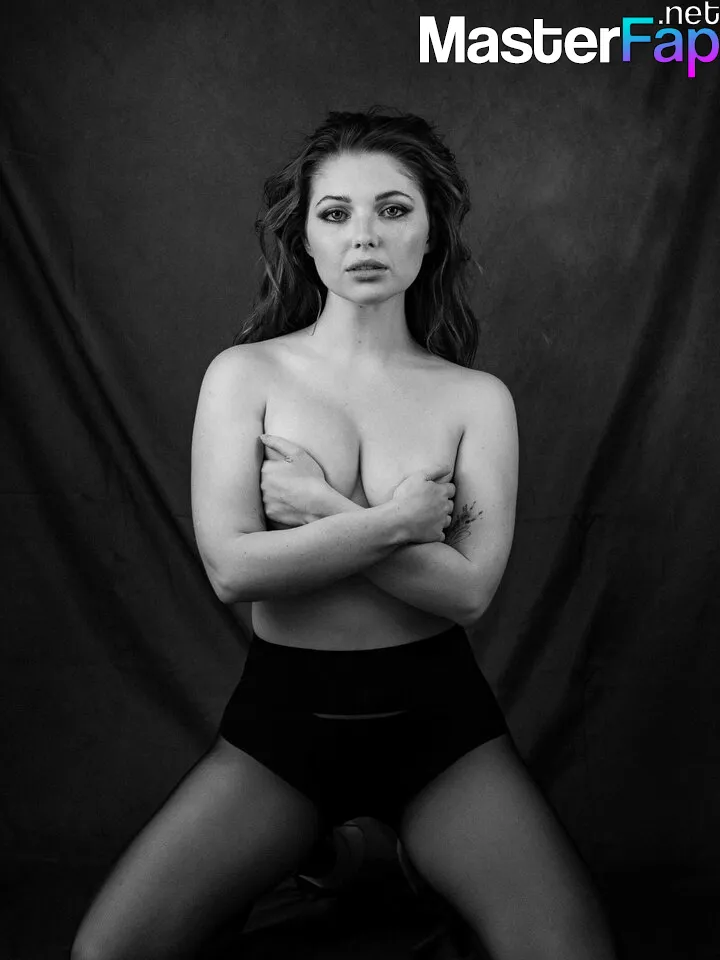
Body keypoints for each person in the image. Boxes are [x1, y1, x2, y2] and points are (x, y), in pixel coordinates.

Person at [71, 108, 617, 960]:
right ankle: (358, 859)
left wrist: (323, 507)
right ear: (306, 239)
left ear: (431, 233)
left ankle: (374, 858)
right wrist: (400, 523)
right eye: (336, 214)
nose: (365, 235)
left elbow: (469, 592)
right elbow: (233, 569)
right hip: (284, 726)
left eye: (393, 210)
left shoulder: (476, 399)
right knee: (108, 954)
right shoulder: (245, 375)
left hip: (440, 726)